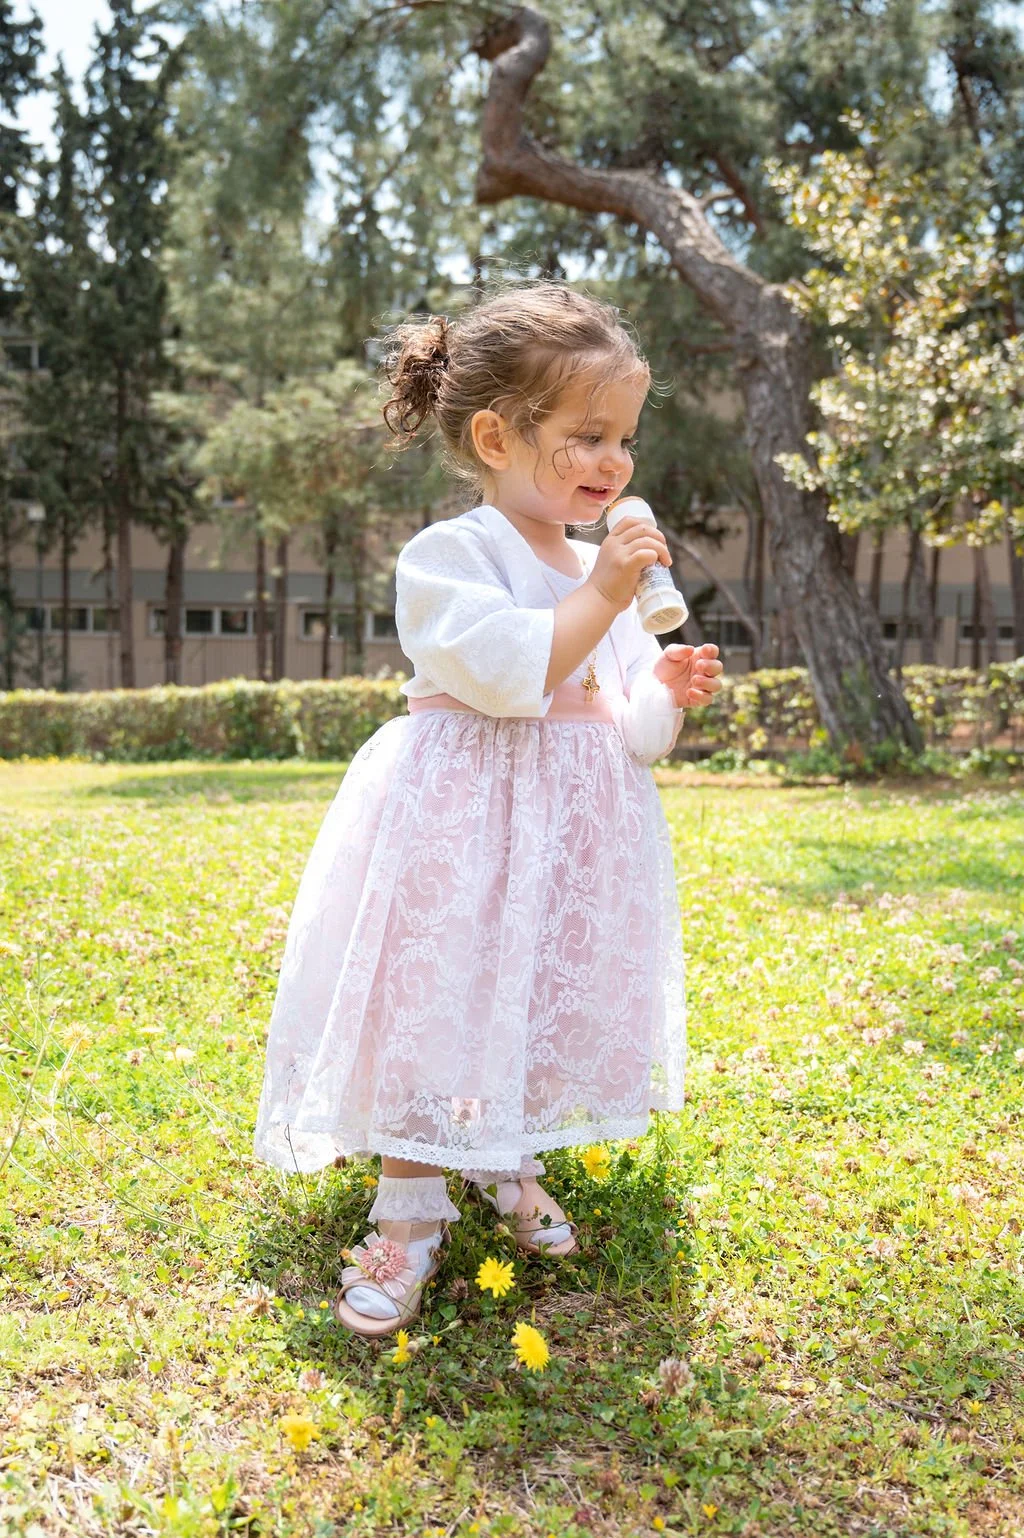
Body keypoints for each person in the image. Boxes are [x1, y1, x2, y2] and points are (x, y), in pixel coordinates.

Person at [252, 282, 724, 1337]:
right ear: (496, 436)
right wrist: (602, 592)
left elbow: (626, 726)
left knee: (536, 982)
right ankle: (407, 1209)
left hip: (566, 832)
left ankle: (504, 1152)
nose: (612, 462)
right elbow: (513, 668)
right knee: (445, 994)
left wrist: (665, 694)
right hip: (464, 820)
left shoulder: (598, 566)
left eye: (625, 439)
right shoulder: (453, 555)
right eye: (586, 435)